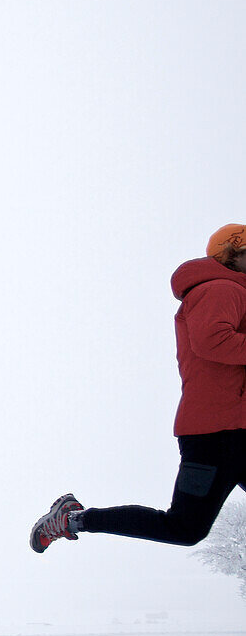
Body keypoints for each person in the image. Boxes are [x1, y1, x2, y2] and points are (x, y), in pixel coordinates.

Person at [31, 224, 246, 553]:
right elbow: (212, 341)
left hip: (233, 426)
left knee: (185, 527)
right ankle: (73, 520)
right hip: (217, 435)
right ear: (232, 256)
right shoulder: (220, 288)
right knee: (185, 527)